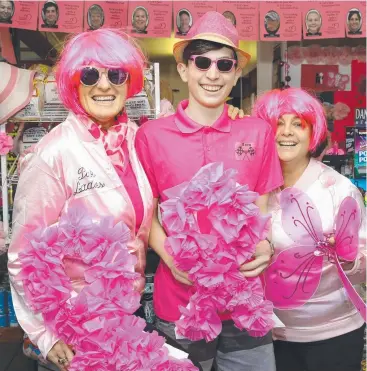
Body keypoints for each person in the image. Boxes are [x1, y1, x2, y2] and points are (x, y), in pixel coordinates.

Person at [7, 28, 181, 371]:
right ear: (74, 83)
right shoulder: (53, 152)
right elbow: (22, 254)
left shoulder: (137, 140)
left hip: (126, 317)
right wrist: (46, 334)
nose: (104, 85)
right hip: (73, 328)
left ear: (129, 81)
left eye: (116, 74)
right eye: (90, 74)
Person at [135, 11, 283, 371]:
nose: (213, 74)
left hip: (246, 300)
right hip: (181, 303)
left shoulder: (257, 133)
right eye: (202, 62)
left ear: (235, 74)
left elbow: (262, 206)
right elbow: (144, 212)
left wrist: (266, 243)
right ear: (185, 70)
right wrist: (169, 256)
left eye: (223, 64)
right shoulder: (151, 137)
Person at [252, 88, 366, 371]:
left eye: (298, 124)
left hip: (332, 334)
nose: (286, 132)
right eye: (278, 123)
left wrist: (348, 257)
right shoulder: (252, 186)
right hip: (266, 336)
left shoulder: (338, 190)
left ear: (312, 133)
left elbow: (363, 261)